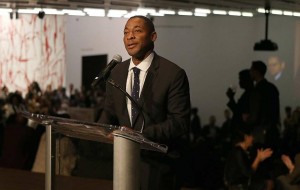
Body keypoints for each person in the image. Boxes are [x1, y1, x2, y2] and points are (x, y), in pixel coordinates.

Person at [98, 15, 191, 190]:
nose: (129, 36)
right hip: (122, 163)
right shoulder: (116, 72)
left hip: (157, 166)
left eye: (137, 31)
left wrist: (139, 135)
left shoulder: (172, 74)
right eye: (125, 32)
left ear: (153, 36)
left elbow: (179, 122)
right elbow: (108, 113)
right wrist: (102, 130)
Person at [224, 124, 273, 190]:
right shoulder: (238, 152)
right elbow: (248, 173)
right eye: (251, 136)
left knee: (269, 182)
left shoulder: (244, 151)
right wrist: (258, 159)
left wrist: (259, 159)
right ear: (246, 137)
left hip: (243, 184)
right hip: (237, 186)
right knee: (268, 183)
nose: (253, 138)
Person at [226, 69, 254, 135]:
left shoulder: (249, 95)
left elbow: (239, 112)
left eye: (241, 79)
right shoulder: (248, 94)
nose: (239, 82)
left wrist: (231, 98)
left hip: (244, 133)